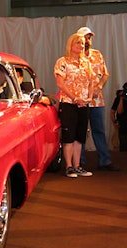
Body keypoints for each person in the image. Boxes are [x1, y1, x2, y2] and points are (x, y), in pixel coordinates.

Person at [76, 27, 120, 171]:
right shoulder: (74, 56)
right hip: (81, 99)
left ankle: (104, 160)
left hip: (97, 100)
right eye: (85, 37)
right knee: (81, 130)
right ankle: (79, 161)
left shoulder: (97, 55)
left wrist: (99, 86)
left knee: (99, 130)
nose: (87, 40)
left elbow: (105, 74)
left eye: (89, 37)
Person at [54, 33, 93, 178]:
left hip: (83, 103)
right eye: (78, 43)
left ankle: (77, 166)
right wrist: (74, 97)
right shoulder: (63, 62)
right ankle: (69, 166)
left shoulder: (86, 63)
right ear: (71, 45)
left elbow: (91, 82)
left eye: (82, 43)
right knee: (69, 135)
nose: (81, 46)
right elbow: (60, 83)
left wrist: (88, 97)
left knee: (80, 135)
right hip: (69, 102)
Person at [112, 83, 127, 151]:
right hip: (123, 125)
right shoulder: (119, 98)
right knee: (123, 146)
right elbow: (118, 111)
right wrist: (121, 99)